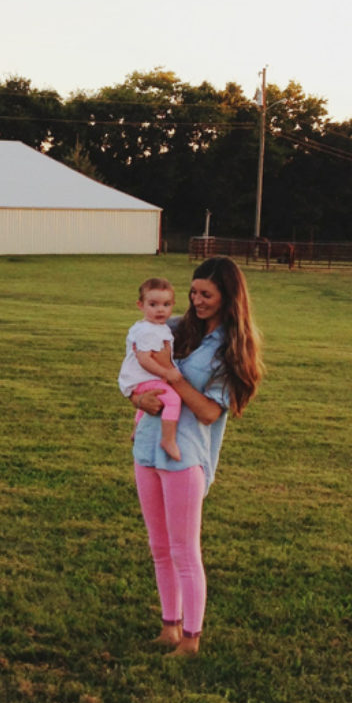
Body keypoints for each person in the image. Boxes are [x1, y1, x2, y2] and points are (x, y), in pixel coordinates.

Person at [130, 256, 263, 657]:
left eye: (206, 294)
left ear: (228, 297)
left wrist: (174, 379)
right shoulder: (173, 329)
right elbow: (136, 369)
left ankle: (191, 639)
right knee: (159, 547)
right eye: (192, 293)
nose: (196, 301)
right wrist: (136, 396)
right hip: (147, 448)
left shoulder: (229, 350)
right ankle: (169, 628)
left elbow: (208, 411)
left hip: (185, 457)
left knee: (185, 551)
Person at [118, 277, 183, 462]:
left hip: (140, 379)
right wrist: (167, 373)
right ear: (141, 305)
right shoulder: (147, 331)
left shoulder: (156, 327)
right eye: (153, 304)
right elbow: (144, 359)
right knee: (173, 399)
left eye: (166, 304)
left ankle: (136, 430)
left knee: (149, 401)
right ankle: (168, 440)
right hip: (142, 378)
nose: (160, 309)